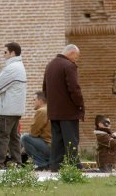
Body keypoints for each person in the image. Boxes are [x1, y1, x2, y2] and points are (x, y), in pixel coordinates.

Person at [43, 44, 85, 172]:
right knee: (71, 139)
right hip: (68, 111)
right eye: (76, 57)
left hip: (54, 111)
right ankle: (74, 167)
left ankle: (56, 167)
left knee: (57, 141)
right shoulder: (69, 66)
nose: (75, 60)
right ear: (71, 53)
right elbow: (74, 89)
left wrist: (52, 104)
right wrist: (80, 104)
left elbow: (45, 89)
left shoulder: (50, 65)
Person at [0, 42, 27, 169]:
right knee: (14, 137)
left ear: (12, 53)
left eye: (5, 52)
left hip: (7, 109)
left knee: (1, 136)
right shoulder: (19, 66)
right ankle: (17, 162)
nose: (4, 55)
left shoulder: (12, 68)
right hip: (15, 109)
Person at [21, 91, 51, 171]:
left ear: (40, 100)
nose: (32, 102)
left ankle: (42, 164)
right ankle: (48, 162)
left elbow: (33, 133)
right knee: (26, 137)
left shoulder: (41, 111)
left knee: (24, 138)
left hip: (48, 146)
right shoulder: (50, 109)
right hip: (54, 147)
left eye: (34, 100)